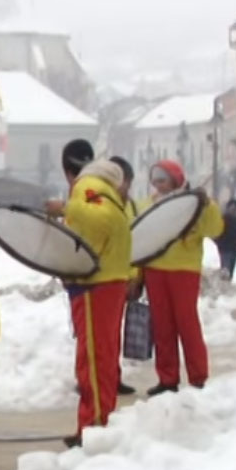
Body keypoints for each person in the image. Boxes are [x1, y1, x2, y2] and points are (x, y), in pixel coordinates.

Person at [59, 159, 131, 447]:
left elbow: (99, 221)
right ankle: (100, 418)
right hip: (110, 280)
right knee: (105, 354)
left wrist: (64, 208)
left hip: (94, 283)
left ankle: (93, 425)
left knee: (92, 357)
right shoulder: (110, 194)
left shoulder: (87, 187)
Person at [140, 160, 223, 395]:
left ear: (175, 179)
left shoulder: (196, 203)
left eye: (162, 180)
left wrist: (207, 207)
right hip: (155, 268)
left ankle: (198, 376)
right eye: (155, 181)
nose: (158, 186)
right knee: (162, 326)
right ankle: (167, 378)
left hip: (184, 270)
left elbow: (215, 230)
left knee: (187, 323)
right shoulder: (149, 204)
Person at [108, 155, 139, 396]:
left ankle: (113, 376)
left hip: (123, 277)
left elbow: (138, 243)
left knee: (114, 334)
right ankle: (100, 378)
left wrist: (135, 276)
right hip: (101, 278)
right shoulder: (99, 204)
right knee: (101, 336)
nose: (124, 187)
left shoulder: (133, 208)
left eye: (127, 182)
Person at [215, 199, 236, 281]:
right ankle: (224, 286)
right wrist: (219, 243)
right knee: (225, 270)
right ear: (228, 208)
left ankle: (228, 285)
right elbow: (217, 233)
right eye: (232, 208)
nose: (234, 210)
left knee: (230, 271)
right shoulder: (223, 219)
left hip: (234, 249)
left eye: (235, 208)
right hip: (225, 248)